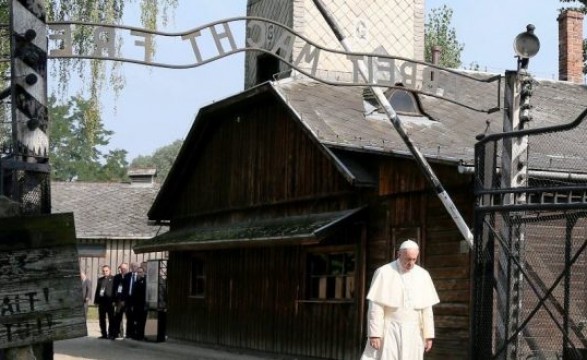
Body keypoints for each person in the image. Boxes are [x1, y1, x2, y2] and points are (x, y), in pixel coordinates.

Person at [360, 239, 440, 360]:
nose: (411, 263)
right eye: (408, 259)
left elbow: (427, 309)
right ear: (399, 254)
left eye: (414, 259)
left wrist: (428, 335)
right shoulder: (384, 272)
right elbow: (375, 307)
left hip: (414, 331)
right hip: (389, 329)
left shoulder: (423, 274)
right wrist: (375, 334)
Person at [93, 265, 115, 339]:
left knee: (111, 319)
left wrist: (115, 301)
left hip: (110, 302)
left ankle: (111, 334)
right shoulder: (100, 279)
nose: (105, 272)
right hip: (102, 303)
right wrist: (96, 301)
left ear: (109, 270)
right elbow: (97, 291)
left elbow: (115, 291)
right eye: (103, 271)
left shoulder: (113, 279)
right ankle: (104, 334)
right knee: (102, 319)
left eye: (106, 270)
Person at [111, 262, 131, 339]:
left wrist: (125, 300)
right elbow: (114, 289)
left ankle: (128, 334)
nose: (123, 270)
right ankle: (117, 333)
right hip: (118, 300)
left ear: (127, 268)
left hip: (127, 301)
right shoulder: (117, 277)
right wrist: (113, 300)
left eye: (124, 268)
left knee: (128, 318)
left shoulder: (129, 276)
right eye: (121, 268)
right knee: (118, 317)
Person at [130, 266, 148, 340]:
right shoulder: (136, 282)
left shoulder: (145, 281)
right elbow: (134, 294)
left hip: (143, 304)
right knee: (136, 320)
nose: (139, 274)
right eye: (138, 272)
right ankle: (137, 334)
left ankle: (141, 335)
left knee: (142, 321)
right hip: (136, 304)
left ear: (143, 272)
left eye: (140, 272)